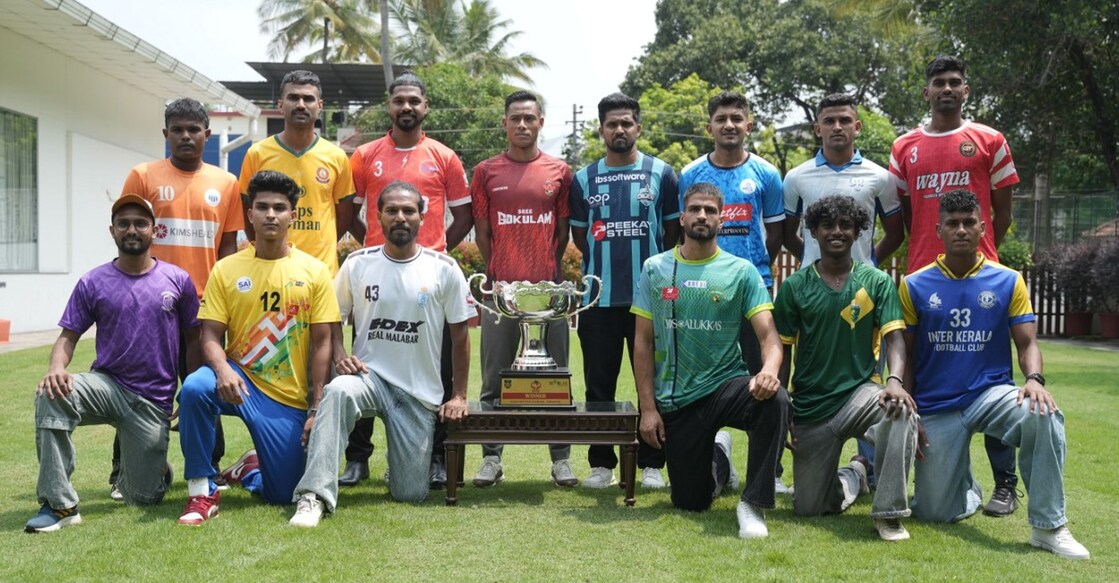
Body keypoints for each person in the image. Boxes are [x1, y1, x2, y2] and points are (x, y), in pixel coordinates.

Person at [899, 189, 1089, 560]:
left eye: (969, 222)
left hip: (991, 395)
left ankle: (1048, 527)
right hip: (937, 405)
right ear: (938, 229)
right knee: (935, 513)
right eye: (952, 224)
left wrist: (1034, 380)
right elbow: (904, 354)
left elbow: (1028, 343)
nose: (961, 230)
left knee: (1043, 414)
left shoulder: (1008, 280)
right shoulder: (914, 284)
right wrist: (912, 412)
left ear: (982, 227)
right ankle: (966, 486)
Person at [288, 181, 474, 527]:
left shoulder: (443, 268)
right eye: (391, 210)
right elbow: (330, 316)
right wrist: (341, 352)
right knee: (338, 391)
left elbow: (460, 334)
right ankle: (313, 496)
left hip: (417, 393)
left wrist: (460, 394)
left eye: (408, 211)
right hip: (367, 378)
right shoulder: (358, 264)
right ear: (378, 216)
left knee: (410, 493)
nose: (400, 217)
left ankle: (403, 463)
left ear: (422, 216)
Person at [889, 55, 1021, 516]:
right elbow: (905, 218)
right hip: (923, 281)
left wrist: (979, 259)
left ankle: (1006, 481)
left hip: (981, 282)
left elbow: (1001, 214)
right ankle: (927, 468)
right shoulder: (904, 146)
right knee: (920, 379)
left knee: (992, 378)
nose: (946, 89)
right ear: (925, 92)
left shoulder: (989, 140)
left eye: (955, 82)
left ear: (966, 90)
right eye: (938, 83)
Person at [26, 194, 199, 533]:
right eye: (124, 224)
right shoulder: (93, 282)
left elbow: (194, 341)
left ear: (154, 229)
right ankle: (59, 505)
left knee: (142, 498)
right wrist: (55, 369)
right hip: (106, 386)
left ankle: (155, 470)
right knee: (51, 395)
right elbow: (68, 337)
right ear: (113, 231)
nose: (131, 229)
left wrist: (188, 390)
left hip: (152, 402)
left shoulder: (178, 280)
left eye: (140, 223)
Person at [176, 170, 339, 525]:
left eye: (279, 208)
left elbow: (322, 343)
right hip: (238, 378)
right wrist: (221, 371)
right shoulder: (227, 269)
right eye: (262, 207)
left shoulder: (313, 272)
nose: (270, 215)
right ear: (249, 214)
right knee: (194, 388)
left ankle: (249, 469)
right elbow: (209, 336)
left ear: (292, 216)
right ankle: (201, 491)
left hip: (286, 398)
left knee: (282, 494)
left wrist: (315, 406)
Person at [632, 182, 789, 539]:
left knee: (775, 398)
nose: (703, 215)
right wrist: (648, 409)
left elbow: (770, 338)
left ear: (722, 218)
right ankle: (720, 457)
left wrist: (768, 370)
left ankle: (753, 502)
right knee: (690, 502)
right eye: (696, 209)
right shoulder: (656, 269)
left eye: (711, 210)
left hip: (727, 385)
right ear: (683, 216)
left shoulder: (741, 271)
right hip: (679, 400)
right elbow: (642, 341)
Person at [342, 72, 472, 489]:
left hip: (427, 281)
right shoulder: (364, 154)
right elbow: (351, 214)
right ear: (390, 105)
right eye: (400, 101)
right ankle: (357, 458)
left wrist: (434, 252)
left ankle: (435, 458)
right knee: (362, 364)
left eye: (414, 101)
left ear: (425, 106)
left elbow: (464, 215)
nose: (407, 108)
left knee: (439, 372)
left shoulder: (445, 157)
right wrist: (372, 249)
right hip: (376, 280)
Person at [114, 97, 244, 498]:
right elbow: (129, 235)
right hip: (150, 302)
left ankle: (211, 466)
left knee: (202, 385)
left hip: (203, 307)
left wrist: (226, 305)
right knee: (139, 388)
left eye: (194, 129)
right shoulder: (143, 175)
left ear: (207, 134)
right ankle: (124, 471)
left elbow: (226, 250)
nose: (186, 136)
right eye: (178, 129)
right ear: (166, 134)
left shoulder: (226, 183)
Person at [773, 195, 917, 542]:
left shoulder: (877, 282)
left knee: (898, 410)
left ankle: (889, 514)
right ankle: (852, 476)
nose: (837, 232)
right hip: (812, 407)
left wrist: (895, 381)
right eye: (828, 225)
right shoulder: (794, 287)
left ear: (858, 232)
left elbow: (895, 338)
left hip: (861, 392)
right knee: (809, 508)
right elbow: (783, 352)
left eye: (845, 225)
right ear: (814, 232)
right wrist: (784, 407)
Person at [783, 93, 906, 489]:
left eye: (845, 120)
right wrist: (817, 261)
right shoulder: (797, 177)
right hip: (813, 289)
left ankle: (867, 466)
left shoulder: (880, 177)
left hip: (862, 290)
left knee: (869, 374)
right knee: (816, 367)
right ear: (817, 128)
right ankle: (830, 461)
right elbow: (788, 233)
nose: (837, 127)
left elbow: (895, 231)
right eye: (829, 120)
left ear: (857, 126)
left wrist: (865, 260)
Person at [678, 91, 791, 494]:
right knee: (708, 379)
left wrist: (751, 271)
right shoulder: (690, 174)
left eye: (736, 118)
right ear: (709, 127)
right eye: (721, 118)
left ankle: (770, 473)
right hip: (701, 295)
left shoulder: (766, 174)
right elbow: (687, 228)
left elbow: (775, 233)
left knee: (767, 380)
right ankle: (715, 450)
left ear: (749, 124)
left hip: (753, 289)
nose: (729, 125)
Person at [569, 92, 680, 489]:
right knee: (600, 383)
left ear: (638, 127)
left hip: (648, 300)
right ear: (601, 130)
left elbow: (670, 235)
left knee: (654, 381)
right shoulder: (583, 179)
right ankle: (602, 463)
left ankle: (653, 462)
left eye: (626, 123)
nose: (620, 129)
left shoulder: (662, 173)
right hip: (599, 299)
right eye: (612, 124)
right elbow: (581, 239)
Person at [470, 91, 576, 487]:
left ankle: (561, 459)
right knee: (493, 376)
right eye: (515, 118)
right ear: (505, 123)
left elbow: (562, 232)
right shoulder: (485, 172)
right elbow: (483, 232)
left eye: (529, 118)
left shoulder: (560, 171)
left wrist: (543, 279)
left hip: (549, 298)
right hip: (501, 295)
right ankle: (491, 458)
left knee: (556, 375)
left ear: (541, 122)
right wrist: (503, 277)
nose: (522, 125)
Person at [239, 69, 356, 275]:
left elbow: (344, 217)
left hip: (322, 273)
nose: (301, 104)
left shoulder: (337, 157)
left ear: (319, 106)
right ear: (280, 105)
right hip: (271, 270)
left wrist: (322, 248)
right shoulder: (257, 154)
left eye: (308, 99)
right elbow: (247, 210)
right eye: (293, 97)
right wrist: (266, 248)